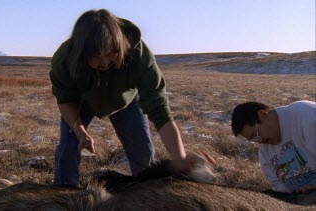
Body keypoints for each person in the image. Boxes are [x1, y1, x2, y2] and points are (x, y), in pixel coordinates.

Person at [49, 9, 208, 188]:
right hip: (81, 103)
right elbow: (65, 101)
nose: (105, 63)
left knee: (143, 154)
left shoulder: (138, 55)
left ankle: (146, 196)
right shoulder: (64, 60)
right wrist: (80, 133)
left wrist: (180, 158)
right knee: (67, 152)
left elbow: (160, 110)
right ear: (81, 53)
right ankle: (63, 195)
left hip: (126, 102)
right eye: (96, 57)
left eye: (111, 54)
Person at [231, 100, 316, 194]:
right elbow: (279, 187)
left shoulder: (306, 116)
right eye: (254, 139)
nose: (260, 142)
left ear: (263, 115)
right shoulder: (265, 154)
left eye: (256, 134)